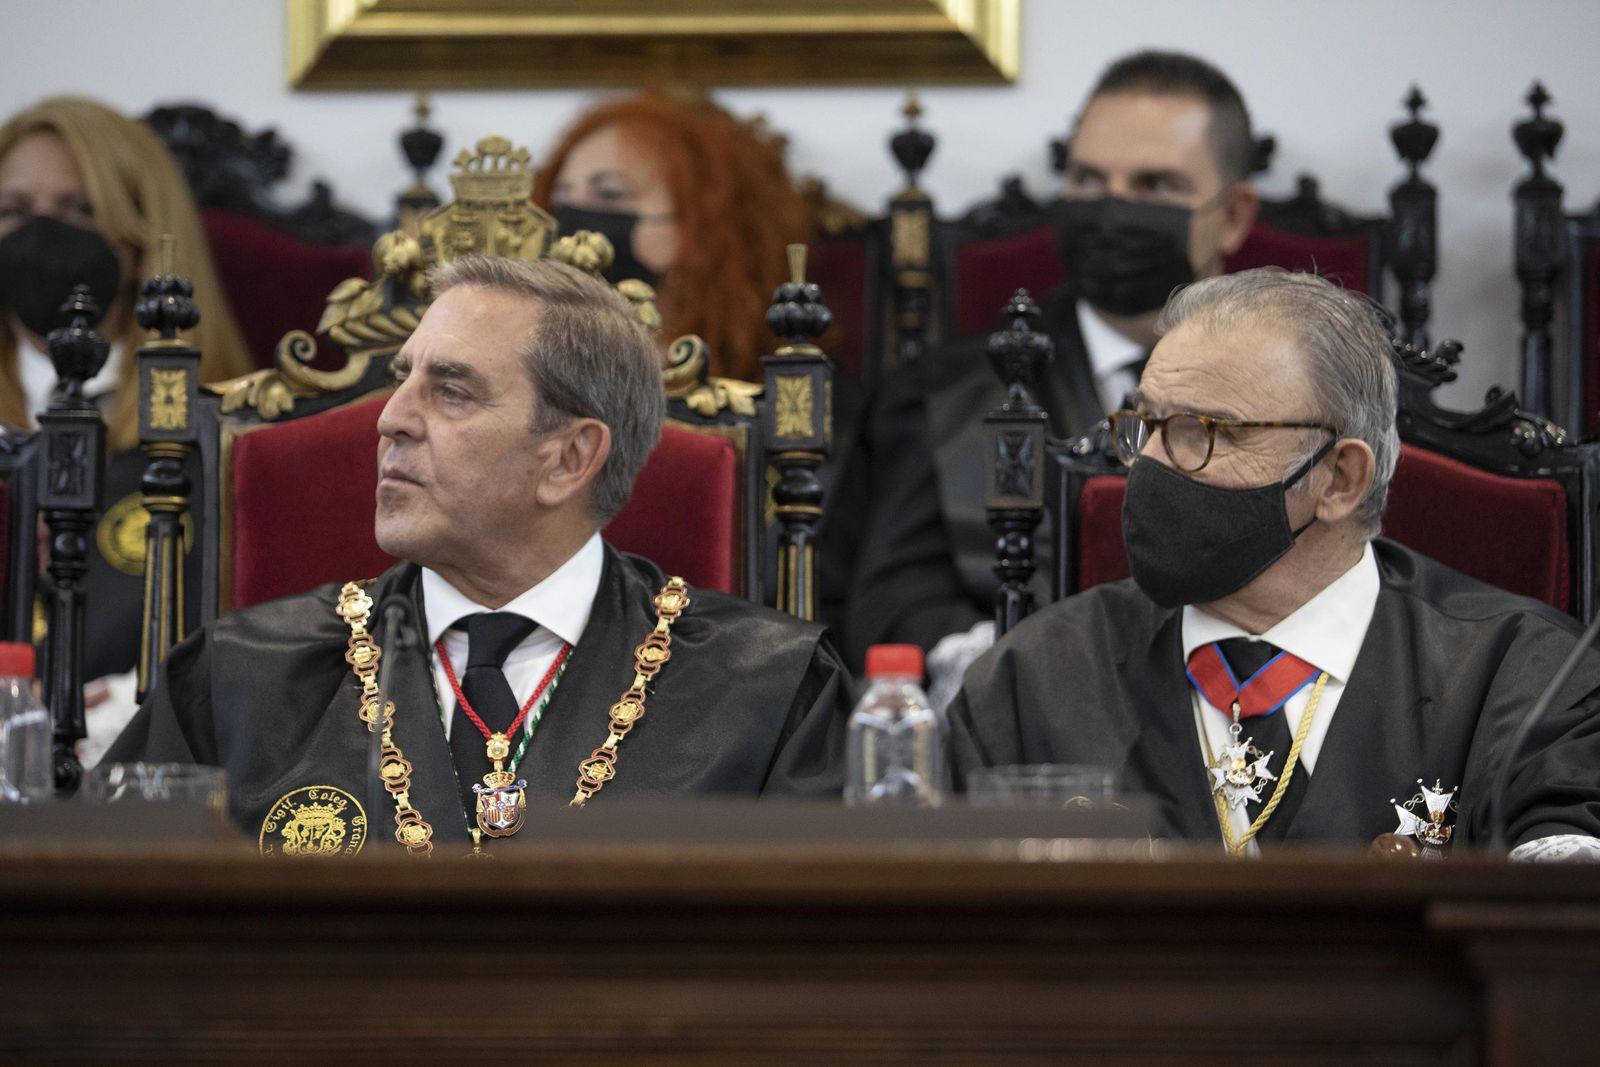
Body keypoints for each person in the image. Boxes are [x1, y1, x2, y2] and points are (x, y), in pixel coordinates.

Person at [109, 255, 851, 854]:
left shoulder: (770, 694)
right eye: (403, 379)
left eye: (451, 391)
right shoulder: (239, 680)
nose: (391, 419)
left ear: (568, 457)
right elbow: (113, 937)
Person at [948, 268, 1600, 859]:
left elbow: (1559, 933)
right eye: (1145, 424)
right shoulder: (1032, 678)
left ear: (1339, 479)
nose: (1149, 463)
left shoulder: (1521, 676)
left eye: (1207, 431)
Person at [842, 51, 1260, 672]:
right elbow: (894, 599)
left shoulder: (1294, 390)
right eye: (1089, 180)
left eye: (1155, 186)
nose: (1113, 209)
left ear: (1232, 215)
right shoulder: (945, 391)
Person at [0, 97, 254, 751]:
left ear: (140, 239)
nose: (45, 235)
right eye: (17, 212)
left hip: (135, 770)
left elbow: (241, 653)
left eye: (81, 210)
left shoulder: (224, 441)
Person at [532, 90, 810, 383]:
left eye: (610, 195)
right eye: (561, 200)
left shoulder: (787, 389)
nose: (574, 221)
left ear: (703, 223)